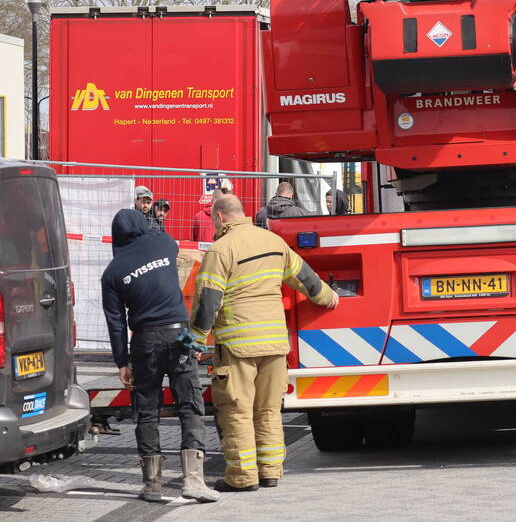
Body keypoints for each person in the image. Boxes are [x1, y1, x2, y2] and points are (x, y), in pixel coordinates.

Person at [188, 194, 340, 492]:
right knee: (269, 410)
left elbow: (208, 299)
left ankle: (243, 478)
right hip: (274, 343)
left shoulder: (221, 249)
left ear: (219, 217)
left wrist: (194, 340)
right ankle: (271, 471)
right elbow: (305, 278)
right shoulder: (273, 242)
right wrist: (328, 297)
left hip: (238, 344)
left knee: (237, 411)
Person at [100, 210, 218, 503]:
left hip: (144, 342)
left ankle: (152, 485)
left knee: (147, 411)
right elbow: (162, 240)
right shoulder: (164, 243)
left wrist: (121, 362)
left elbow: (116, 323)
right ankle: (193, 480)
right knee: (190, 405)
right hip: (179, 337)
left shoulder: (112, 273)